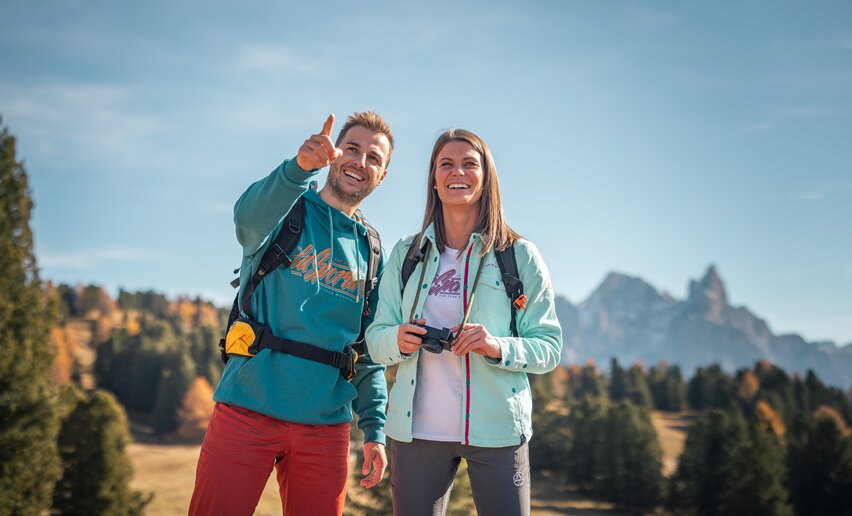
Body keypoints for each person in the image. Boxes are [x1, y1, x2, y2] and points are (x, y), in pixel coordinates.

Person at [189, 112, 393, 516]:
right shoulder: (287, 209)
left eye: (374, 157)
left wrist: (375, 428)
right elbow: (246, 218)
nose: (360, 162)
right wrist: (299, 167)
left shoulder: (371, 250)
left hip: (326, 425)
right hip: (247, 407)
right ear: (334, 155)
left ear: (382, 176)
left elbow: (367, 350)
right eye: (351, 149)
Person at [365, 129, 563, 516]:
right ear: (434, 179)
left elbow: (549, 348)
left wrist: (496, 346)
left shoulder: (518, 255)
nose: (458, 172)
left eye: (470, 164)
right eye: (446, 164)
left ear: (486, 178)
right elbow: (375, 338)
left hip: (499, 432)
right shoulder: (406, 253)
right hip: (415, 434)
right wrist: (399, 339)